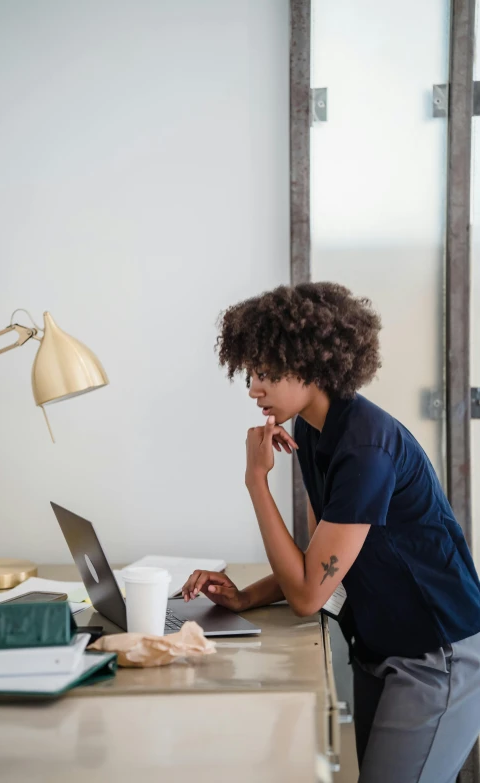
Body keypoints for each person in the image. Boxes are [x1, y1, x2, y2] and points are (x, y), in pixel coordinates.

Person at [181, 282, 480, 783]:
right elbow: (323, 560)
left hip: (435, 654)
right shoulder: (313, 431)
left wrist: (256, 480)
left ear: (312, 365)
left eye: (266, 372)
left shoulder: (365, 447)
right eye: (250, 372)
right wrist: (246, 597)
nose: (254, 387)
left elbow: (307, 595)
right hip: (381, 646)